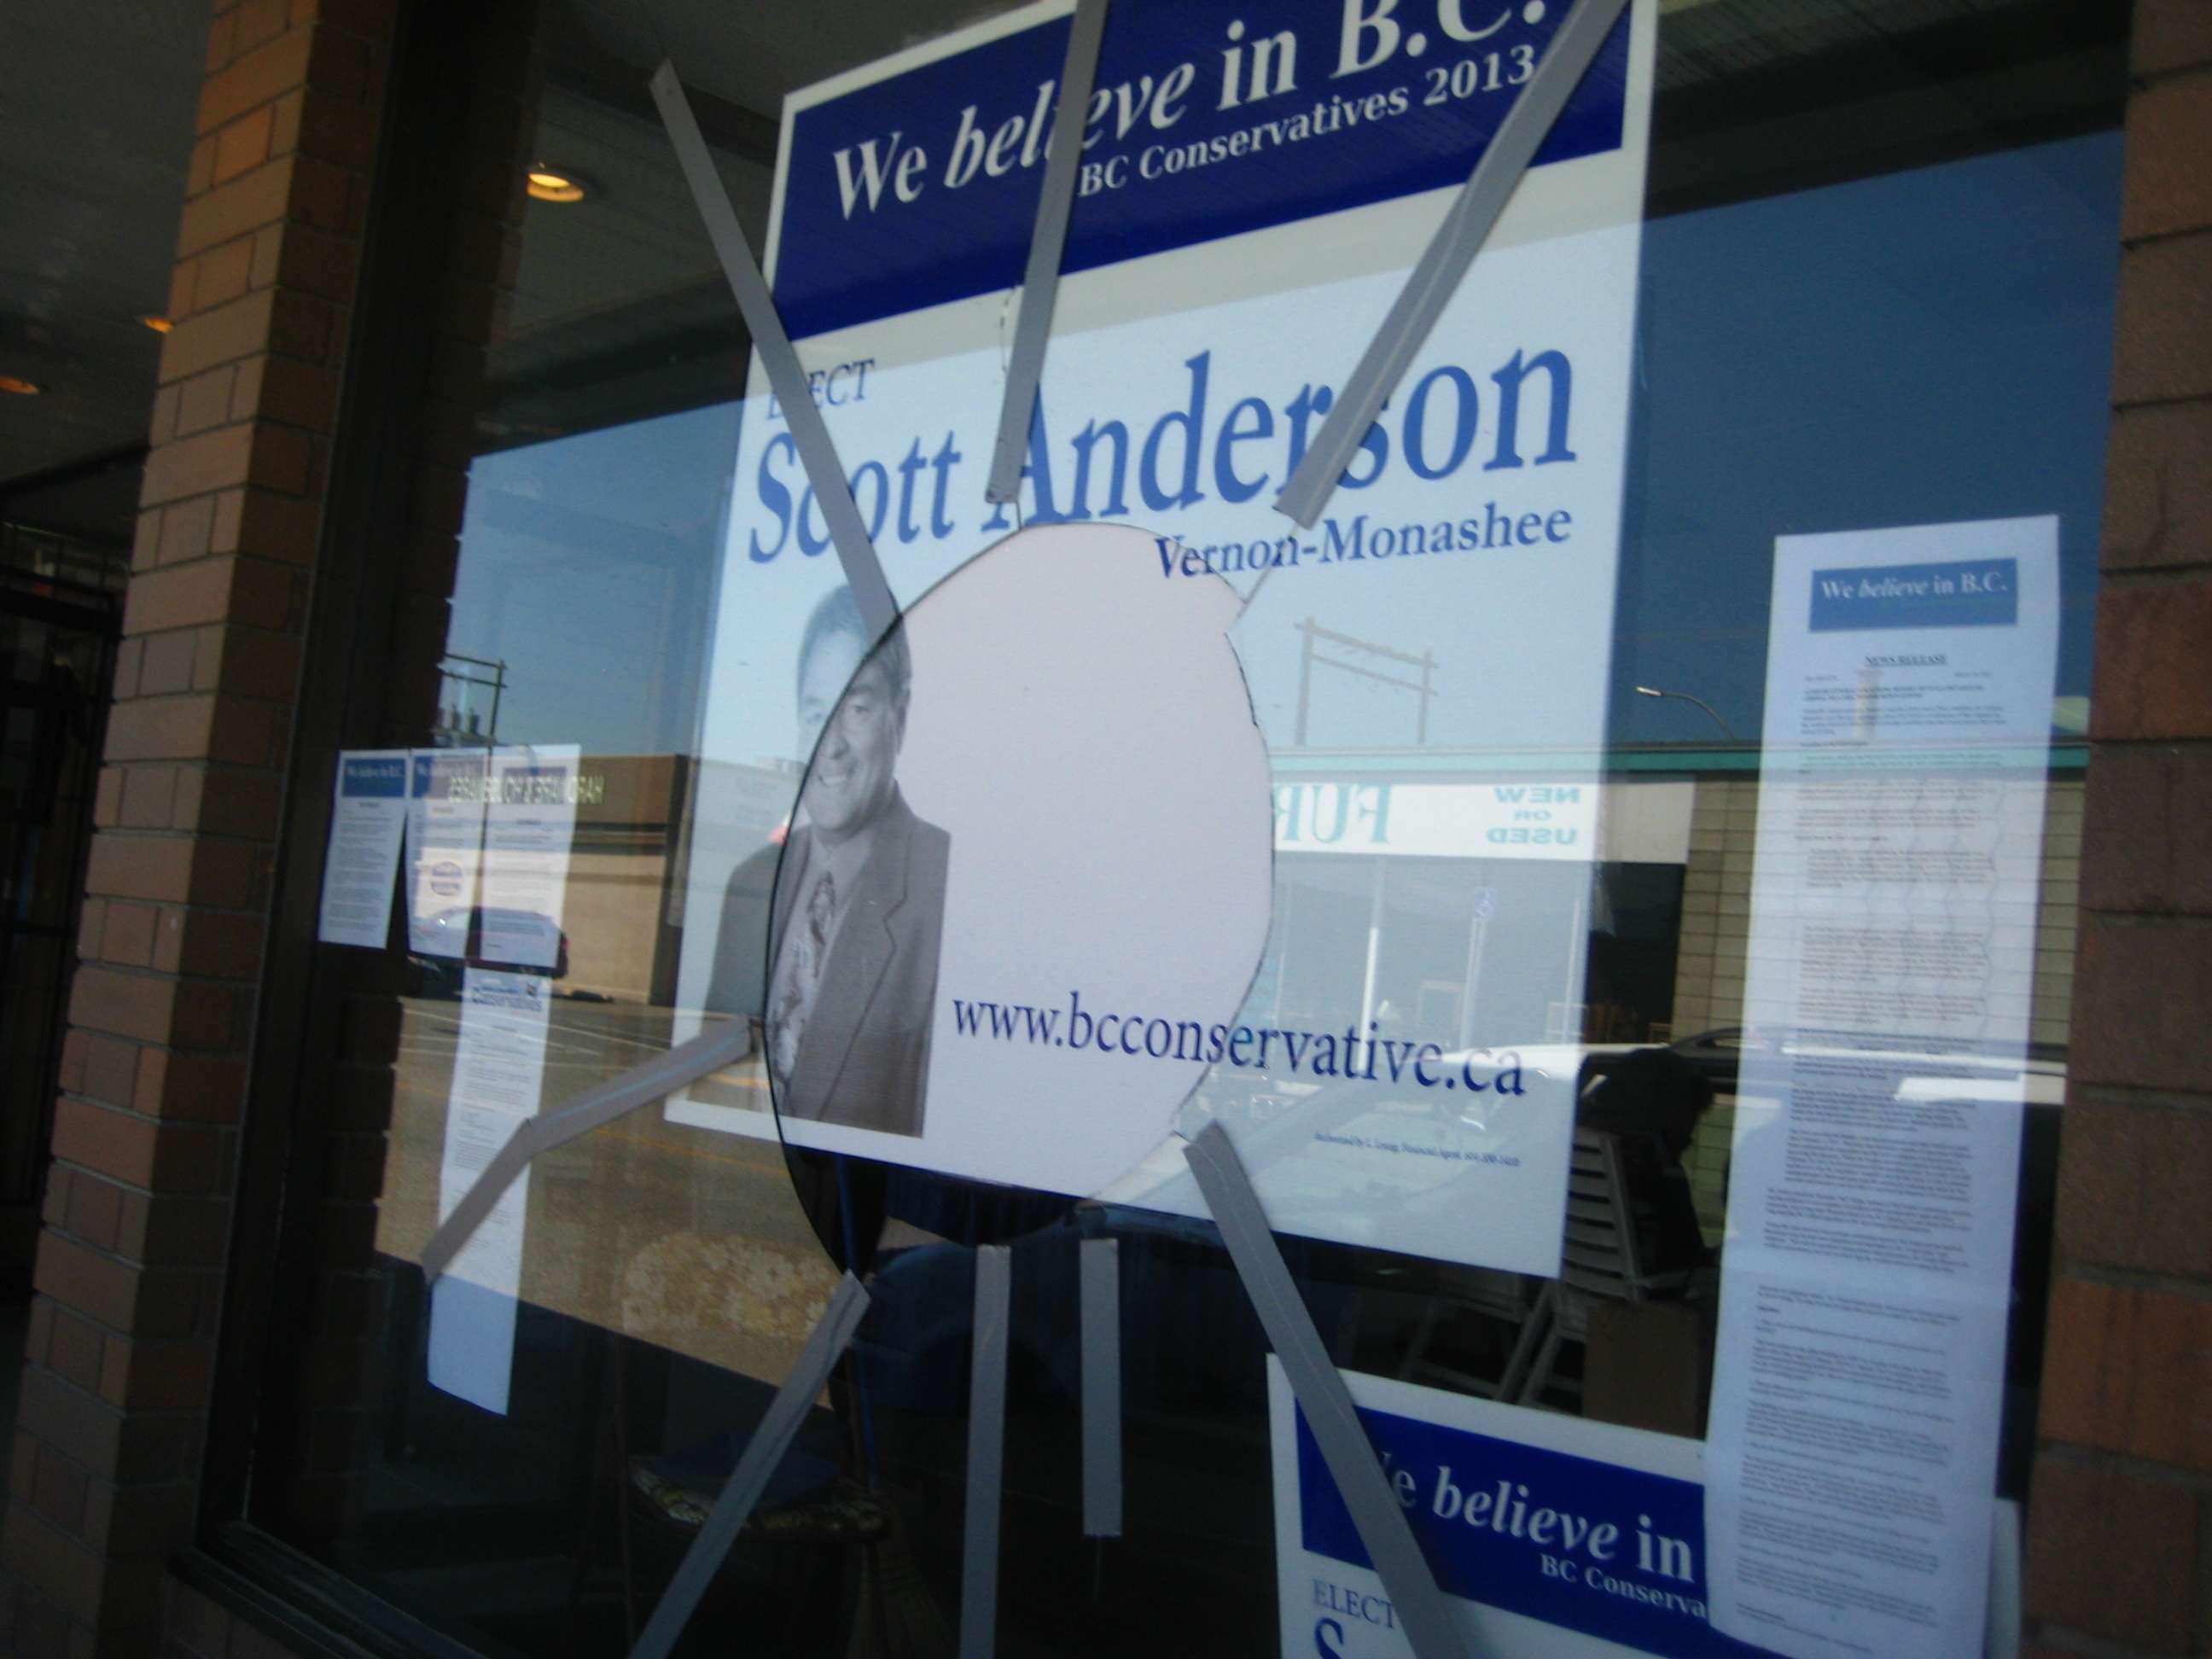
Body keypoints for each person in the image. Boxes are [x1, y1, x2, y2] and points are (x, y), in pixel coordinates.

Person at [707, 589, 949, 1138]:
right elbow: (713, 1096)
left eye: (857, 709)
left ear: (901, 717)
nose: (830, 744)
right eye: (816, 713)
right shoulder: (751, 885)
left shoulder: (948, 892)